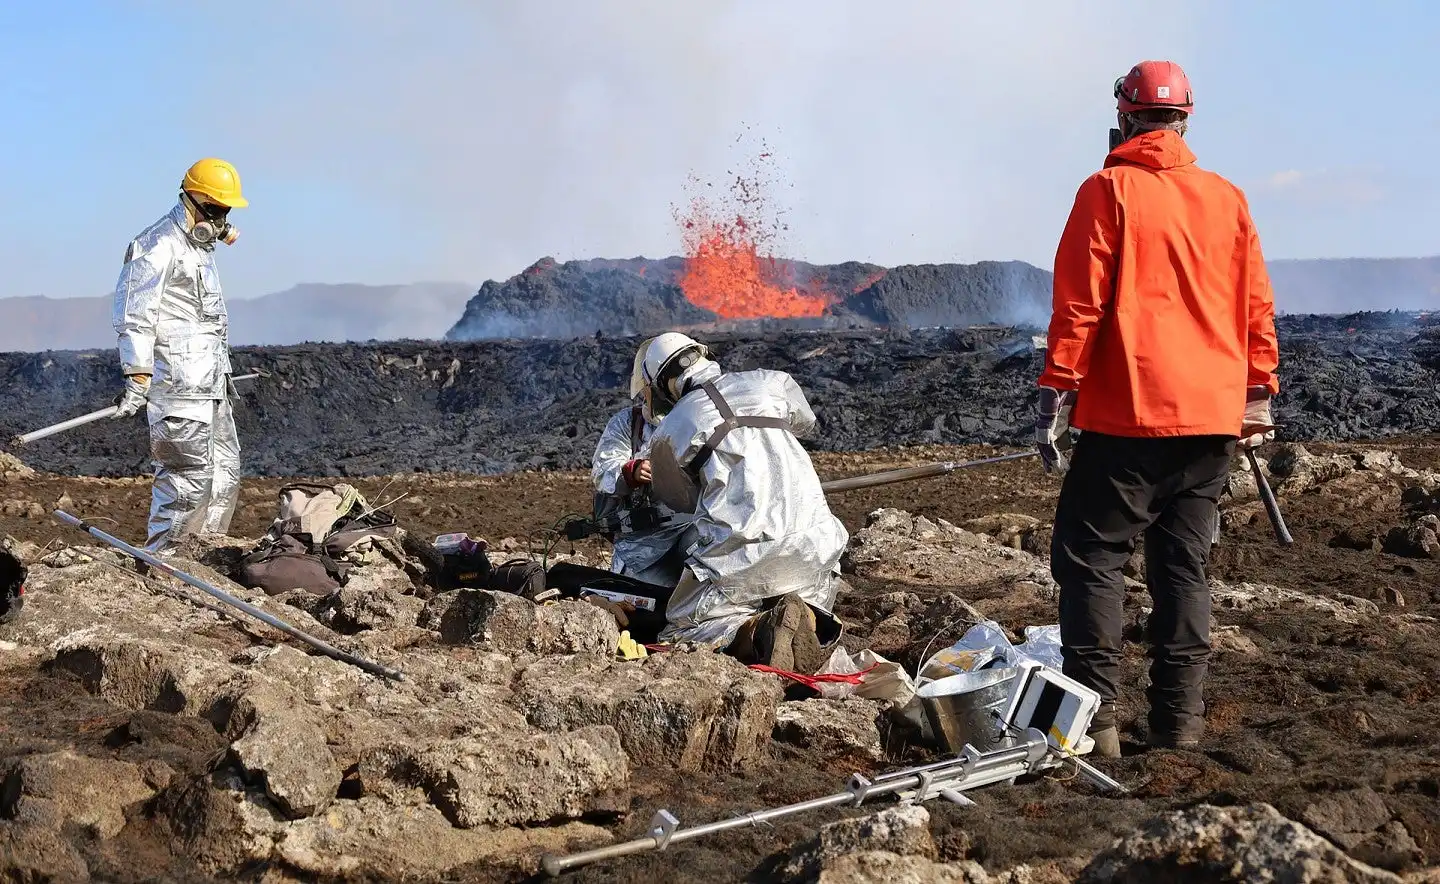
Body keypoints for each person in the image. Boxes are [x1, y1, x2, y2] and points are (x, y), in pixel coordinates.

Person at [1035, 60, 1279, 757]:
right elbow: (1257, 303)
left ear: (1125, 116)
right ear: (1185, 118)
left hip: (1128, 420)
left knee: (1089, 559)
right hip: (1212, 424)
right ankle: (1179, 727)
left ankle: (1096, 726)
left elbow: (1079, 303)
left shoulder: (1107, 190)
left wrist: (1056, 389)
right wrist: (1258, 391)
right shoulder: (1227, 198)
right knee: (1182, 570)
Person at [640, 332, 847, 673]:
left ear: (665, 385)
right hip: (817, 548)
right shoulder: (772, 381)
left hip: (743, 557)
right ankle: (805, 615)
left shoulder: (673, 425)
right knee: (804, 590)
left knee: (682, 630)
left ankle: (757, 631)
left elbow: (679, 500)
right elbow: (805, 423)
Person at [112, 158, 249, 554]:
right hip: (177, 389)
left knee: (223, 475)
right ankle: (166, 567)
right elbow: (135, 314)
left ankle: (202, 561)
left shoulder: (200, 247)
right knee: (186, 483)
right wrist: (137, 375)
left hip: (210, 386)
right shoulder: (156, 244)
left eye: (226, 212)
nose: (221, 220)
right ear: (192, 201)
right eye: (215, 210)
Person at [589, 337, 698, 589]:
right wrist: (632, 471)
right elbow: (603, 471)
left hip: (695, 537)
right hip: (642, 552)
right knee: (644, 605)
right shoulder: (628, 425)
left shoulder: (702, 422)